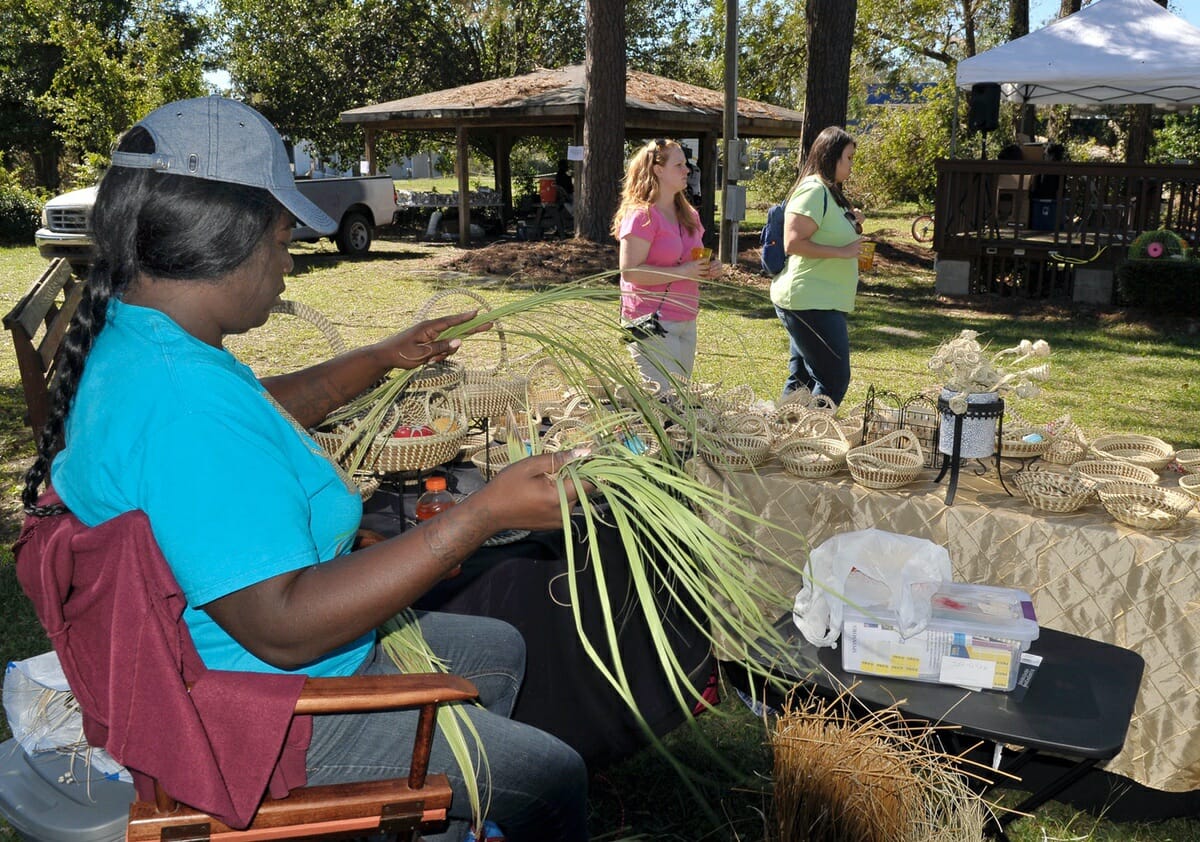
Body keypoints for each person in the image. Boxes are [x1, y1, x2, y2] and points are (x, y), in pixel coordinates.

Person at [20, 96, 589, 842]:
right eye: (285, 238)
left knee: (500, 649)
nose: (289, 262)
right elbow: (283, 628)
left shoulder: (149, 341)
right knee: (555, 778)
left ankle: (443, 819)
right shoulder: (181, 405)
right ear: (228, 238)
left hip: (232, 666)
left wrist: (381, 357)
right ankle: (441, 808)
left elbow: (260, 410)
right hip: (270, 717)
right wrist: (483, 515)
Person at [610, 138, 722, 391]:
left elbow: (693, 257)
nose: (687, 170)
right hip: (652, 322)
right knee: (665, 401)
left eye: (686, 164)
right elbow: (630, 271)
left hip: (685, 318)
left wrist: (713, 267)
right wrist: (682, 272)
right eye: (679, 165)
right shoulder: (641, 216)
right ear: (658, 170)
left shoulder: (688, 214)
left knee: (679, 399)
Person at [769, 126, 865, 407]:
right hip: (809, 302)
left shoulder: (828, 192)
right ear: (831, 156)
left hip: (819, 299)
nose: (851, 165)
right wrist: (842, 251)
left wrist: (852, 220)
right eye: (848, 158)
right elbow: (793, 243)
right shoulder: (813, 190)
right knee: (833, 379)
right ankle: (811, 439)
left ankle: (781, 437)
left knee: (801, 380)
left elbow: (826, 228)